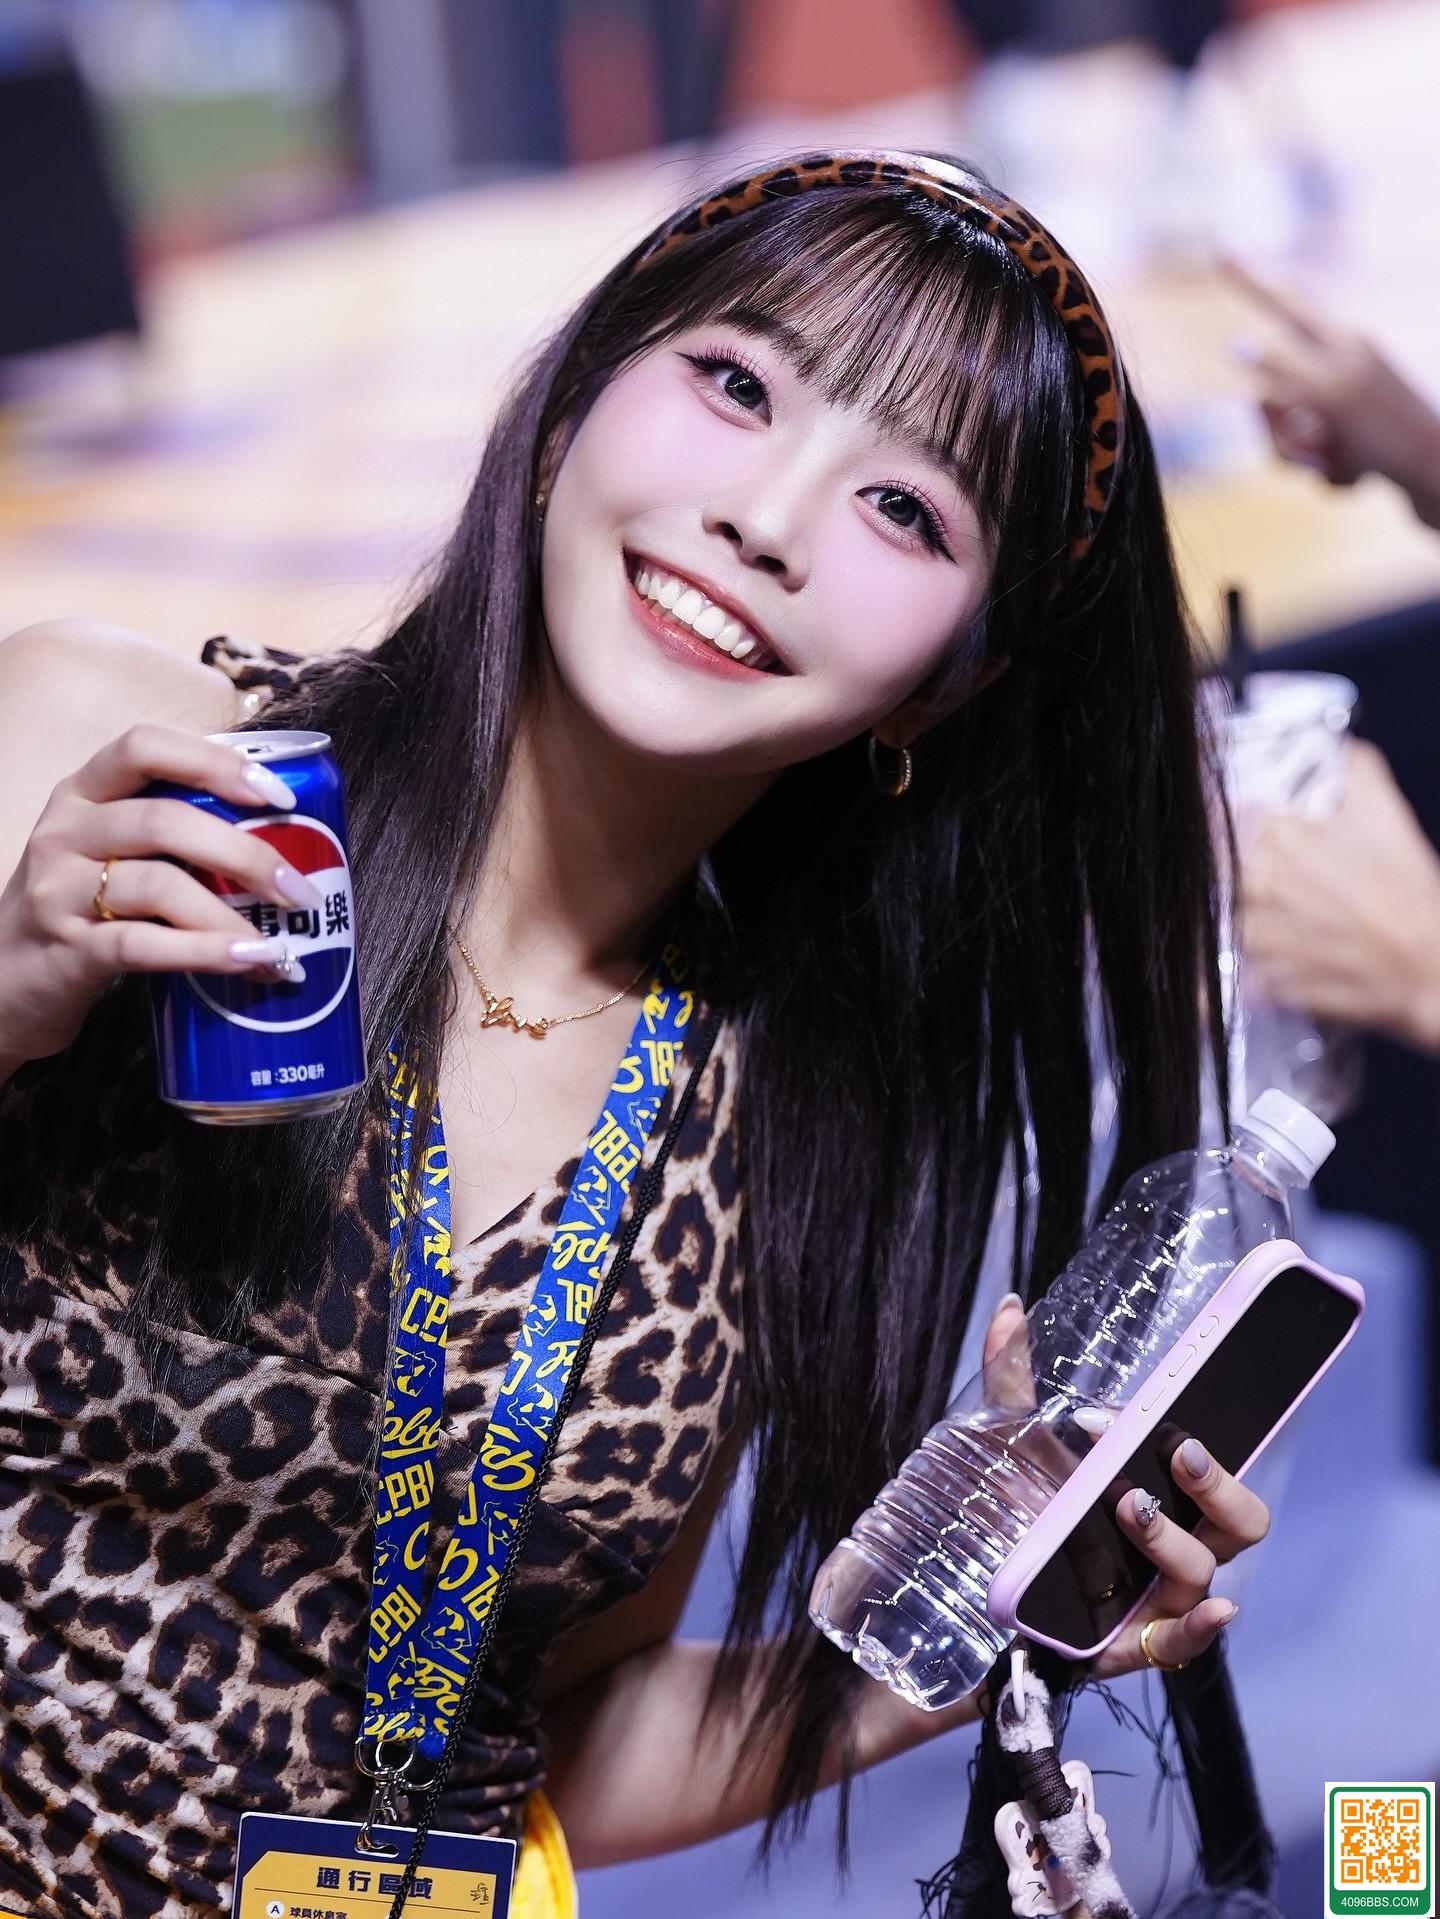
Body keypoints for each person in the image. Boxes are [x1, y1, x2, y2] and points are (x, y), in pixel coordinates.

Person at [0, 152, 1272, 1919]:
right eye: (737, 385)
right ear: (570, 409)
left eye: (905, 510)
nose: (768, 519)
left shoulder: (771, 1138)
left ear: (946, 684)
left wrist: (985, 1621)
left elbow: (558, 1729)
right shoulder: (122, 757)